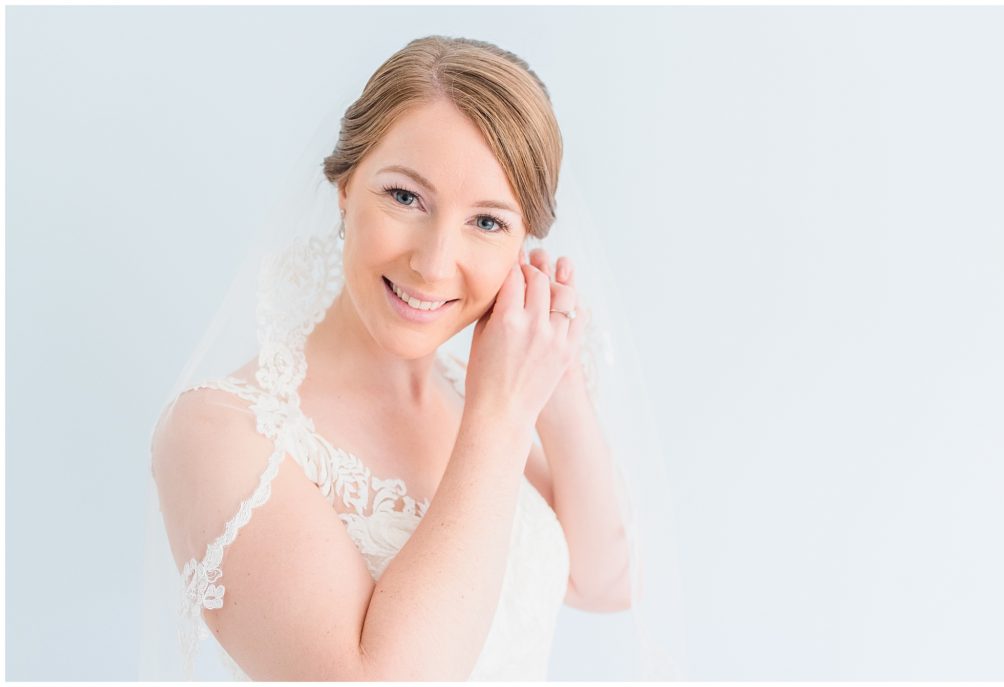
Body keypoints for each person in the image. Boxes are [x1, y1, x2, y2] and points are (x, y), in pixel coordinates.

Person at [140, 35, 685, 681]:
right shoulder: (219, 433)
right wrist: (502, 415)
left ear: (523, 244)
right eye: (405, 197)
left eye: (487, 222)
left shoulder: (473, 393)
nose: (431, 263)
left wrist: (555, 384)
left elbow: (607, 581)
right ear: (345, 187)